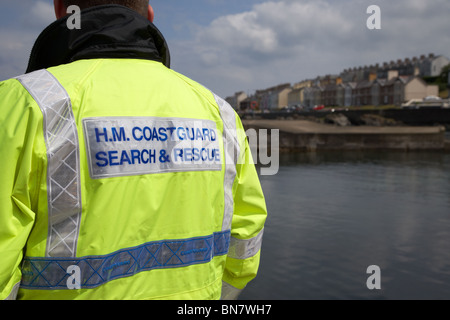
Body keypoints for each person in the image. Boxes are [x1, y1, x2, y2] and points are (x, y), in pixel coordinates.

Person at [0, 0, 267, 300]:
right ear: (150, 15)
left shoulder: (23, 105)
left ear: (62, 10)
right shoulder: (219, 112)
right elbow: (245, 241)